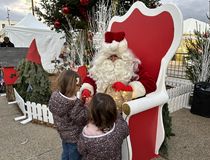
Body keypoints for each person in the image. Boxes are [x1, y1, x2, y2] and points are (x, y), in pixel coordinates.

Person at [80, 31, 156, 106]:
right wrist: (86, 90)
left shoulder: (132, 66)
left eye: (116, 56)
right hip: (99, 107)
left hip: (122, 108)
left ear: (123, 56)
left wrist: (128, 89)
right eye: (110, 57)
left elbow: (150, 84)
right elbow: (89, 80)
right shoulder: (99, 66)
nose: (113, 59)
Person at [48, 70, 88, 160]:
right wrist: (87, 107)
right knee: (75, 156)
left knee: (66, 152)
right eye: (79, 86)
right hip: (74, 136)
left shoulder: (55, 97)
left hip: (63, 133)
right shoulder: (73, 103)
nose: (80, 87)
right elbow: (81, 118)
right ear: (72, 87)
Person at [77, 93, 129, 160]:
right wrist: (115, 113)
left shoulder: (86, 134)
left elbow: (81, 150)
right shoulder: (119, 128)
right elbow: (126, 130)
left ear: (91, 113)